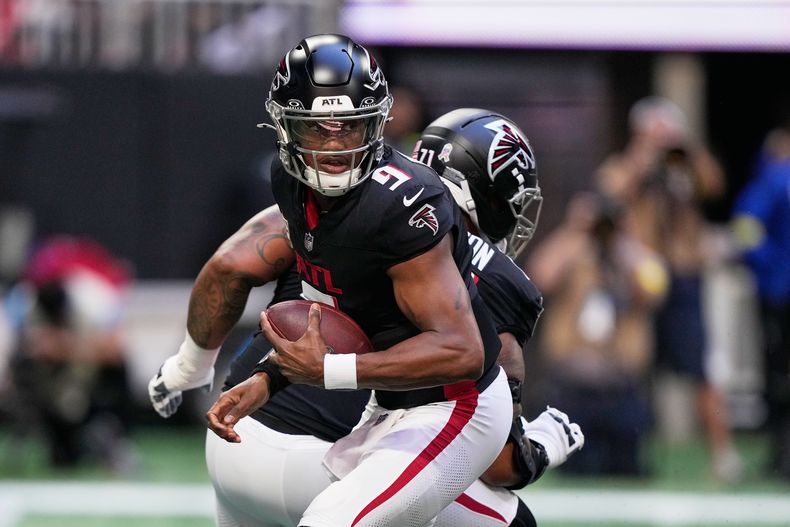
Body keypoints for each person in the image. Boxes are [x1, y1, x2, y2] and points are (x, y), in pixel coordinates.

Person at [153, 33, 513, 527]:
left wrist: (330, 372)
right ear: (284, 128)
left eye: (350, 125)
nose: (335, 145)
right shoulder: (290, 183)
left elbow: (462, 352)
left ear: (378, 121)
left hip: (453, 406)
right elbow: (338, 309)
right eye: (316, 129)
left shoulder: (403, 206)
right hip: (385, 405)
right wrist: (268, 378)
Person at [595, 96, 742, 482]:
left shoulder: (683, 165)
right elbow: (609, 192)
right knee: (635, 366)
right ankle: (631, 454)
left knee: (702, 367)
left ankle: (723, 455)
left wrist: (682, 147)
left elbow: (714, 184)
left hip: (683, 275)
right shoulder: (628, 163)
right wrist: (643, 154)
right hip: (644, 278)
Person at [527, 192, 667, 475]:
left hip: (622, 386)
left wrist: (624, 240)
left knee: (628, 473)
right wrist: (574, 230)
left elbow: (655, 290)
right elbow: (539, 276)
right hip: (573, 387)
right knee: (576, 472)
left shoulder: (633, 256)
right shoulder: (575, 252)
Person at [731, 115, 790, 481]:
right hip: (780, 290)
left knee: (779, 377)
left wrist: (770, 268)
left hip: (778, 293)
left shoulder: (772, 180)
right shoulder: (777, 180)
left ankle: (782, 455)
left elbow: (744, 229)